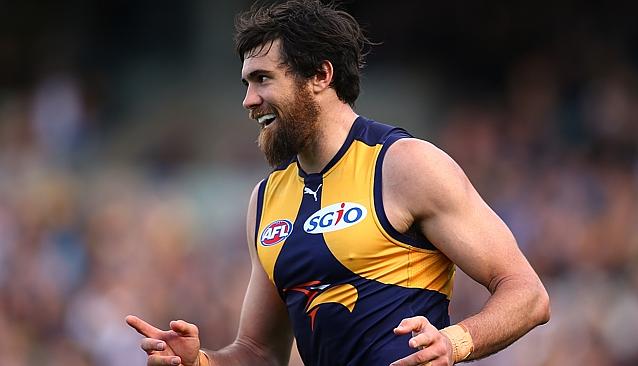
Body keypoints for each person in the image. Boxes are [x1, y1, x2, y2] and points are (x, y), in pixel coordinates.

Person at [126, 1, 550, 365]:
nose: (248, 100)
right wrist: (197, 360)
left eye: (263, 79)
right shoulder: (267, 198)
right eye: (246, 82)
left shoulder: (405, 165)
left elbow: (528, 295)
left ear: (320, 75)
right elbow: (259, 352)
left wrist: (455, 342)